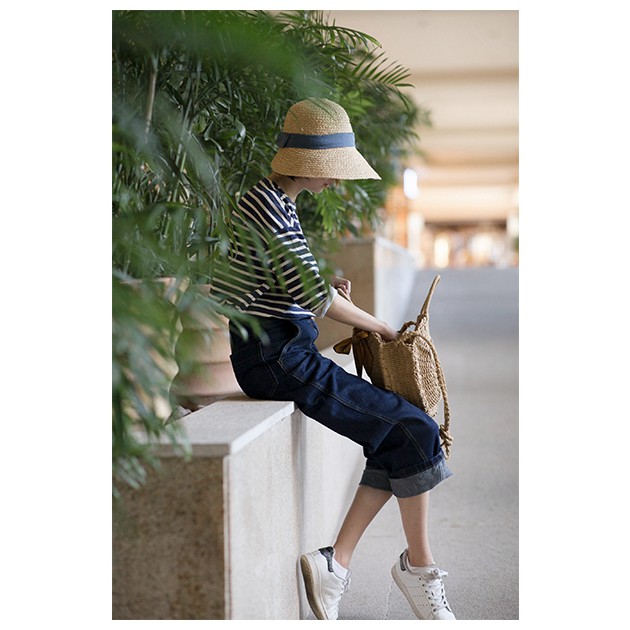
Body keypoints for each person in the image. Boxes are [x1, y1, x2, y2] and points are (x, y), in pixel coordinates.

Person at [209, 98, 455, 621]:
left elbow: (289, 285)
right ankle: (415, 567)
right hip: (276, 358)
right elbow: (311, 294)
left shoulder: (274, 201)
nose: (336, 180)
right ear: (307, 161)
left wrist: (323, 291)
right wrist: (380, 326)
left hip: (281, 351)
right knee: (415, 430)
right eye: (331, 168)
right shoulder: (267, 205)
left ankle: (338, 564)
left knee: (400, 434)